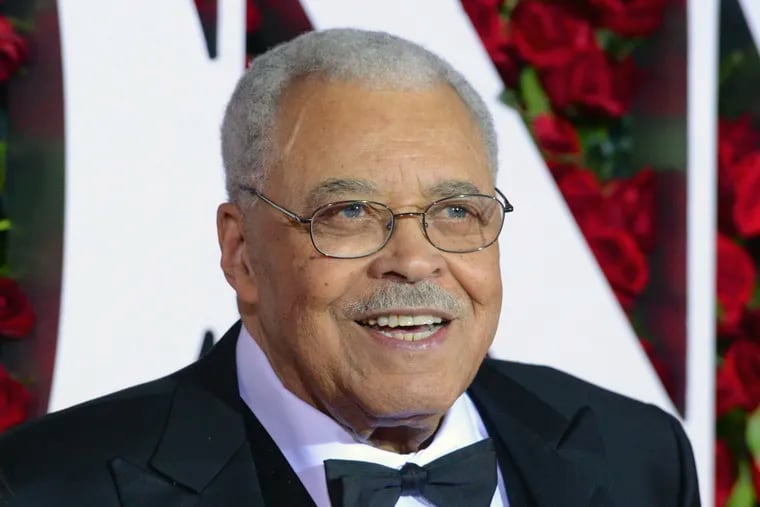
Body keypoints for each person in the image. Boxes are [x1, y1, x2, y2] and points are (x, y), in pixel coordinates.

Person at [0, 28, 699, 507]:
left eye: (457, 211)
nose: (414, 259)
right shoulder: (45, 486)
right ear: (241, 252)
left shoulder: (638, 456)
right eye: (350, 213)